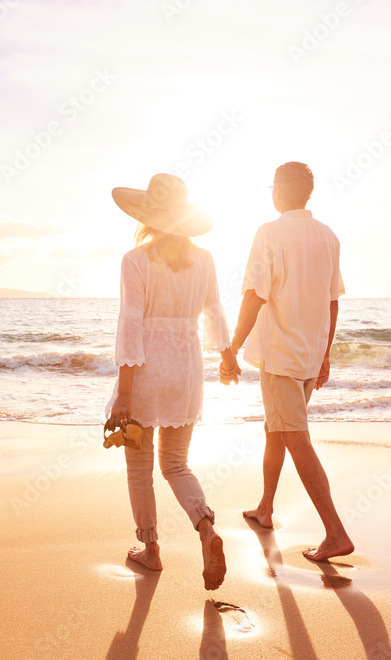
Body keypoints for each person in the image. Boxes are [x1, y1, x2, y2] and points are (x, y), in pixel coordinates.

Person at [219, 161, 354, 562]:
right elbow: (332, 302)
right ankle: (265, 508)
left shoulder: (270, 233)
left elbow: (254, 295)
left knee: (295, 437)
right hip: (310, 356)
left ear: (278, 190)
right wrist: (325, 354)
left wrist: (231, 347)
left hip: (280, 356)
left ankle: (335, 533)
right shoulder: (328, 237)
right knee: (276, 430)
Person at [106, 173, 231, 590]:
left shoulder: (136, 260)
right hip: (186, 371)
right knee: (176, 463)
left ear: (148, 215)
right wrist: (226, 355)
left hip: (144, 374)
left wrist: (124, 394)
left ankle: (151, 550)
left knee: (140, 468)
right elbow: (214, 311)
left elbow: (131, 325)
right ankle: (206, 528)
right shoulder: (206, 259)